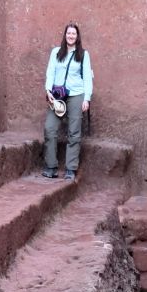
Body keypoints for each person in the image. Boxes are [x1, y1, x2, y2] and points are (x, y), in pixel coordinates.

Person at [42, 22, 93, 180]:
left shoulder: (83, 54)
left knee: (74, 132)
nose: (71, 36)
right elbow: (50, 72)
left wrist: (87, 98)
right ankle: (51, 166)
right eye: (69, 33)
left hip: (76, 94)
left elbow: (87, 78)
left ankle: (71, 168)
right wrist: (48, 90)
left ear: (77, 37)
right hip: (58, 95)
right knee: (49, 128)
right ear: (65, 35)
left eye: (73, 34)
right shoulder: (56, 52)